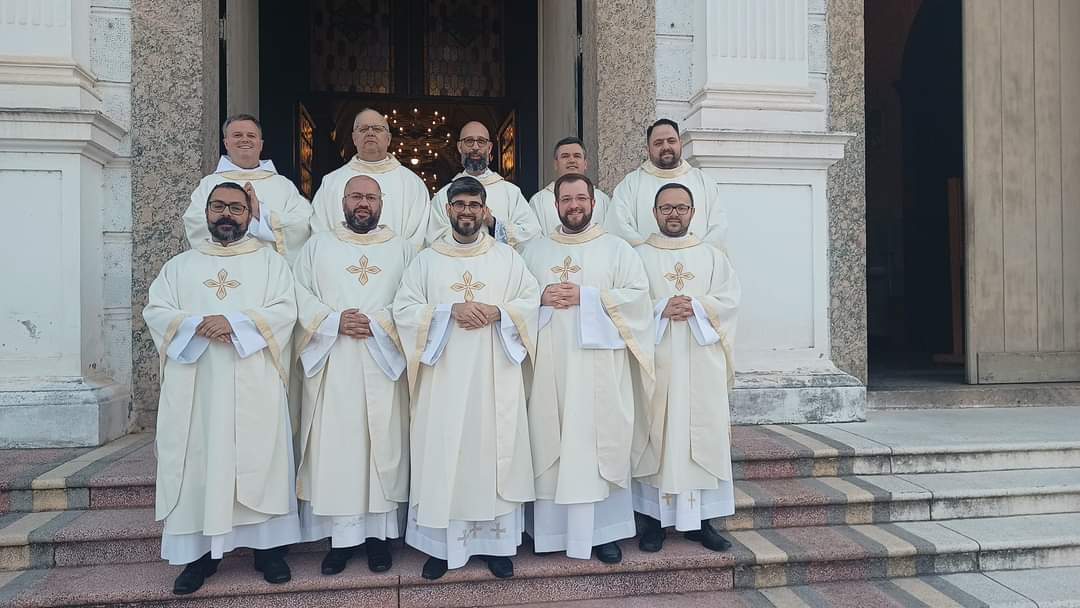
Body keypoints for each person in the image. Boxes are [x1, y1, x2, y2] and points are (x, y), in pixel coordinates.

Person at [144, 182, 300, 594]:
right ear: (206, 212)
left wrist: (236, 322)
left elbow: (286, 310)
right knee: (200, 460)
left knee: (259, 457)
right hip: (197, 385)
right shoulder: (180, 266)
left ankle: (267, 550)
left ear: (250, 214)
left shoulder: (271, 264)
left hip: (254, 378)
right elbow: (157, 311)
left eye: (236, 207)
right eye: (219, 207)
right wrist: (197, 324)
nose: (227, 214)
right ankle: (198, 557)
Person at [393, 176, 539, 580]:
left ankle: (496, 545)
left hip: (495, 376)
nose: (467, 212)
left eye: (475, 205)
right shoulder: (425, 261)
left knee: (493, 453)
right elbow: (404, 310)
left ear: (485, 210)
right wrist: (447, 312)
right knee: (444, 454)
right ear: (448, 210)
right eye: (460, 205)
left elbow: (530, 302)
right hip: (443, 381)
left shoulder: (508, 259)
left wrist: (499, 313)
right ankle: (442, 548)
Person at [520, 174, 653, 563]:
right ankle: (550, 532)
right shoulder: (534, 252)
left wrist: (588, 297)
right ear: (555, 204)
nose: (573, 205)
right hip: (550, 372)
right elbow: (515, 299)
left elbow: (638, 301)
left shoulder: (617, 250)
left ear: (594, 203)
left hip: (599, 372)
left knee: (596, 446)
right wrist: (540, 297)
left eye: (580, 198)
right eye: (566, 199)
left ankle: (602, 533)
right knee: (553, 440)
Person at [293, 176, 413, 575]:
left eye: (370, 197)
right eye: (356, 197)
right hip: (334, 362)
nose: (363, 204)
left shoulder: (403, 248)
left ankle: (379, 537)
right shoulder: (318, 246)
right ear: (342, 202)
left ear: (382, 203)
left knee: (382, 445)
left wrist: (377, 323)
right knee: (339, 448)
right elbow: (298, 294)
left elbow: (414, 299)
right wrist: (332, 322)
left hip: (383, 364)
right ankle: (341, 541)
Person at [631, 183, 740, 553]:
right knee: (656, 434)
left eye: (680, 207)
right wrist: (660, 308)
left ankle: (702, 521)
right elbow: (627, 305)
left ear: (693, 212)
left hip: (700, 361)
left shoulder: (712, 256)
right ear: (655, 212)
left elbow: (730, 302)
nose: (673, 214)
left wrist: (696, 305)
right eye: (666, 208)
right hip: (655, 362)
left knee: (700, 434)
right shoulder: (638, 256)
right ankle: (652, 523)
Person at [184, 114, 312, 264]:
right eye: (237, 135)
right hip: (221, 266)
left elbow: (303, 224)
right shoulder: (209, 184)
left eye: (251, 135)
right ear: (226, 143)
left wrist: (260, 213)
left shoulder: (282, 185)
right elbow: (195, 222)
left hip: (269, 268)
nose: (245, 139)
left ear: (260, 144)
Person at [309, 108, 431, 249]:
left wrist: (401, 260)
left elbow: (419, 236)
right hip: (339, 266)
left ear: (389, 139)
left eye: (378, 129)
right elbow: (319, 232)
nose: (370, 133)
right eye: (363, 129)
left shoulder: (412, 184)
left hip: (398, 266)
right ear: (354, 138)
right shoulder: (331, 183)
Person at [609, 118, 728, 249]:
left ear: (680, 144)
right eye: (658, 143)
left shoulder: (704, 182)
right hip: (648, 266)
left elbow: (718, 228)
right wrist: (648, 254)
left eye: (671, 141)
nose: (666, 147)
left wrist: (700, 256)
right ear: (648, 149)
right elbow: (618, 227)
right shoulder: (631, 184)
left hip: (696, 266)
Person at [426, 121, 541, 249]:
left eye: (481, 141)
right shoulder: (444, 195)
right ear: (459, 147)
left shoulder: (511, 192)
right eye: (469, 141)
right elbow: (432, 238)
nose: (475, 147)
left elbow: (532, 234)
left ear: (490, 147)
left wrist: (493, 224)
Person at [528, 137, 613, 235]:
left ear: (585, 163)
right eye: (565, 156)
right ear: (556, 164)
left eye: (577, 156)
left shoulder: (602, 200)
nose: (571, 160)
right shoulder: (539, 201)